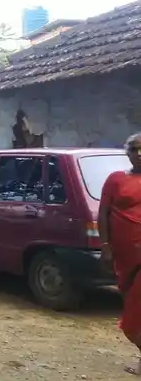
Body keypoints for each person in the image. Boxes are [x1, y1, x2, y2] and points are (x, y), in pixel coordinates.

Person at [100, 132, 141, 375]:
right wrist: (105, 246)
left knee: (135, 312)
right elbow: (103, 214)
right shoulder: (115, 180)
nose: (139, 154)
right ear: (126, 152)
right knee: (131, 303)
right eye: (135, 149)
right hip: (123, 256)